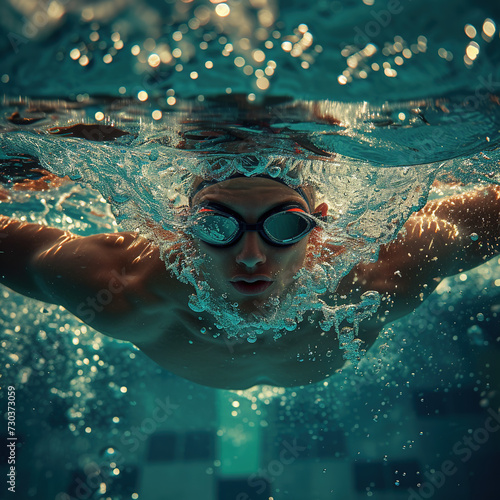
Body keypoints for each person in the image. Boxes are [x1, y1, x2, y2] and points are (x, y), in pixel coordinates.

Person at [1, 175, 499, 389]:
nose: (252, 256)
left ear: (319, 226)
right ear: (182, 225)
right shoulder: (123, 286)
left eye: (285, 226)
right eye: (216, 226)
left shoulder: (383, 272)